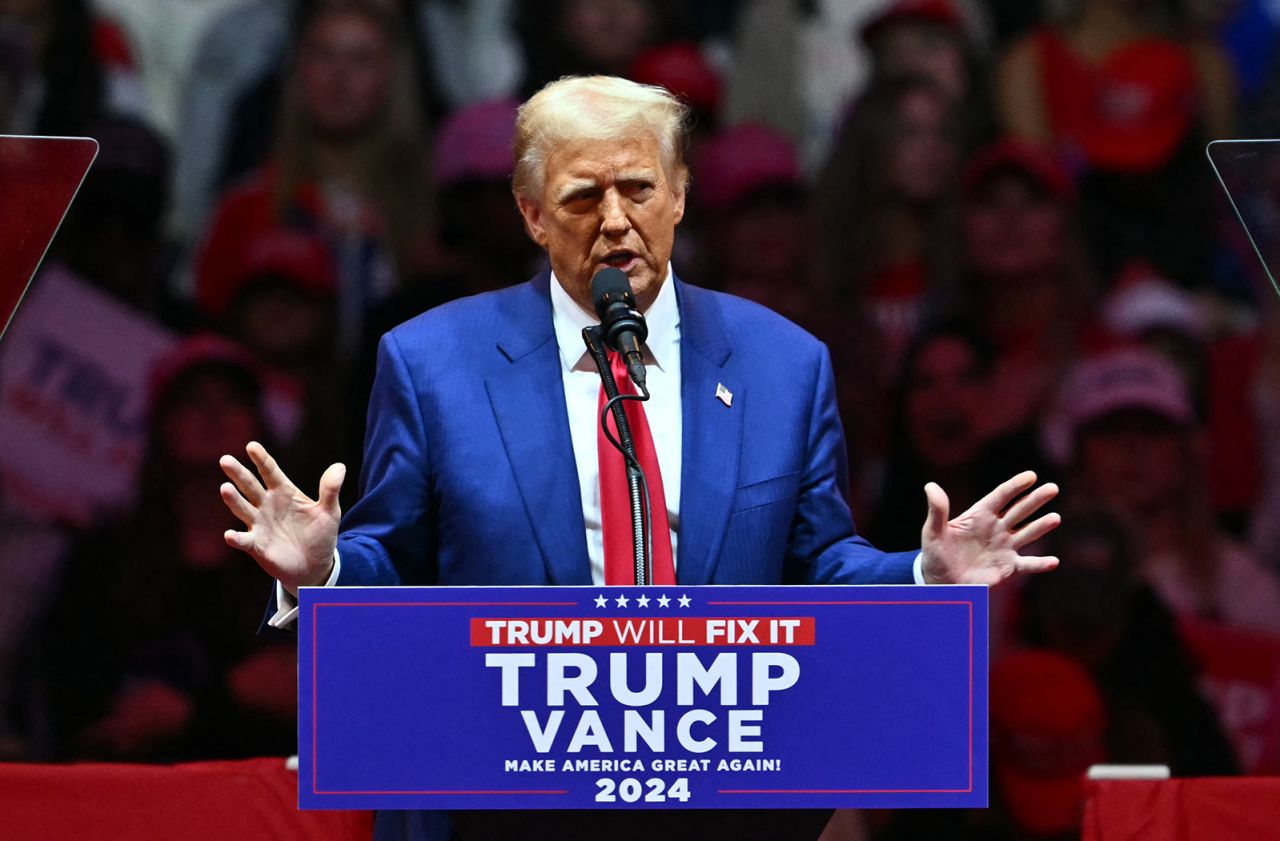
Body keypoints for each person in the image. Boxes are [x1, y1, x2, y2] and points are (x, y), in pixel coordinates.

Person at [216, 75, 1061, 839]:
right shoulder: (434, 362)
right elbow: (395, 562)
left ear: (682, 195)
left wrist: (922, 580)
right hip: (500, 804)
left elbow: (819, 564)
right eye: (583, 196)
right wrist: (318, 574)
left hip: (721, 798)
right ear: (532, 210)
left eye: (640, 189)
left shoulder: (782, 363)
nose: (615, 220)